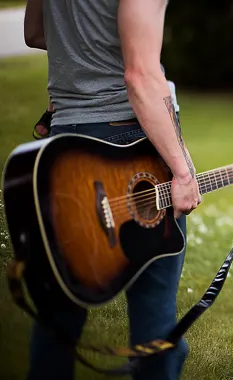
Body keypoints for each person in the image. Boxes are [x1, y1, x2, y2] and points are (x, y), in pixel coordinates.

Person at [23, 0, 201, 379]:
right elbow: (140, 75)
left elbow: (35, 33)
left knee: (57, 317)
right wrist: (183, 173)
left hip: (62, 147)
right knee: (154, 318)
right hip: (127, 147)